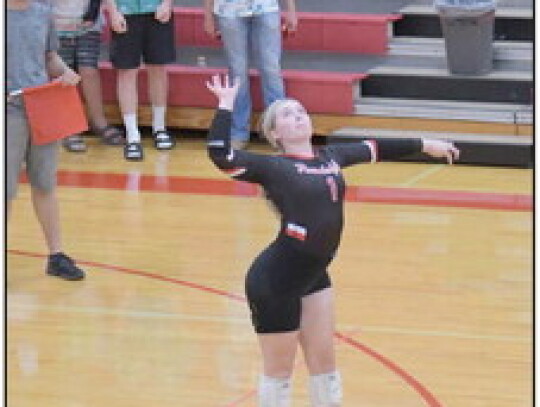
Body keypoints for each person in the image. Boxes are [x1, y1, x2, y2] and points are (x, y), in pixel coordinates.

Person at [206, 74, 460, 407]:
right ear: (274, 134)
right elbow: (220, 155)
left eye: (301, 111)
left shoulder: (331, 157)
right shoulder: (272, 166)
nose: (297, 116)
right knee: (279, 372)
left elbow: (376, 148)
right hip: (276, 280)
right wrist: (225, 105)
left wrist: (427, 145)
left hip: (314, 275)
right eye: (287, 114)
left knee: (325, 367)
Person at [7, 0, 86, 280]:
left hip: (42, 106)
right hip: (9, 111)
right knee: (5, 190)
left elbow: (50, 57)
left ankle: (56, 255)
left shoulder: (42, 12)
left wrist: (64, 73)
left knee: (45, 182)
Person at [203, 0, 298, 150]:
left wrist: (291, 9)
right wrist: (208, 15)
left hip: (266, 7)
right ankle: (238, 131)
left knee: (271, 68)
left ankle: (279, 130)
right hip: (228, 9)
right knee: (237, 70)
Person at [106, 0, 176, 161]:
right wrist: (113, 11)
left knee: (157, 68)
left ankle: (159, 127)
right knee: (127, 71)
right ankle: (132, 134)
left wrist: (167, 3)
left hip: (156, 10)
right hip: (125, 11)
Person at [53, 0, 125, 152]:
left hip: (88, 23)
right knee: (64, 74)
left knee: (89, 70)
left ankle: (99, 121)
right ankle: (69, 127)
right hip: (56, 23)